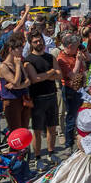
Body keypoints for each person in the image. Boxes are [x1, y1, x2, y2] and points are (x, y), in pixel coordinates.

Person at [24, 31, 62, 169]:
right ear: (30, 43)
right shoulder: (28, 60)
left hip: (51, 95)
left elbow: (59, 75)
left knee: (52, 127)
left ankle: (51, 152)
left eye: (40, 40)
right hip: (38, 98)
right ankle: (38, 156)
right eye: (35, 41)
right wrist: (51, 72)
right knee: (37, 130)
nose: (39, 43)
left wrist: (45, 75)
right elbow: (35, 79)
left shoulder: (50, 57)